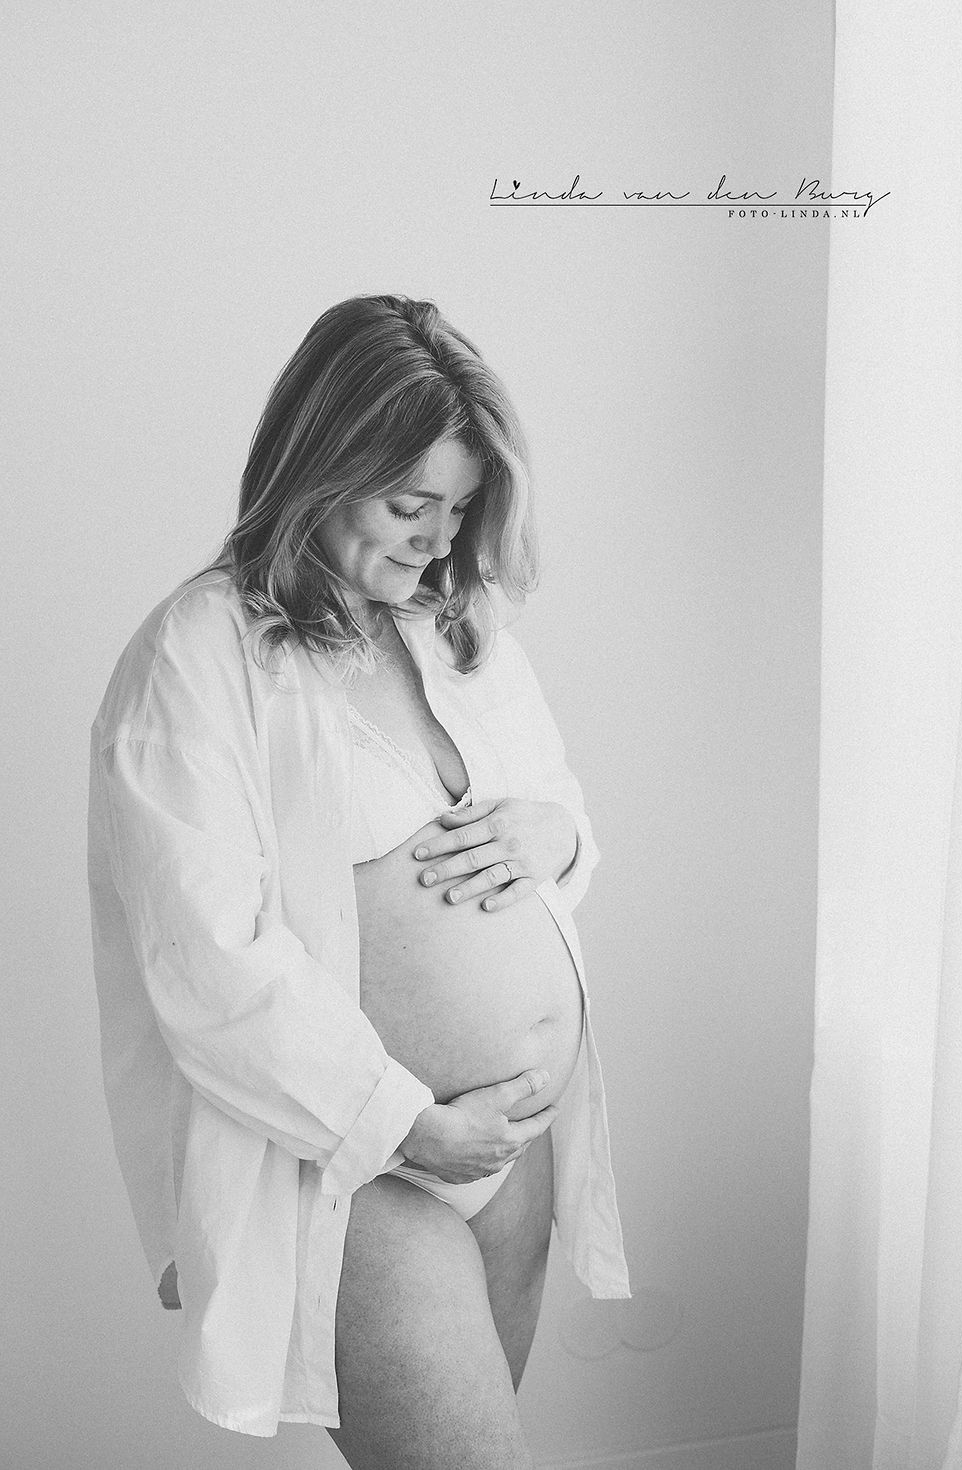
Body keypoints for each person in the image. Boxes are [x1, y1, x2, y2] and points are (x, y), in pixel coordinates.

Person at [87, 293, 630, 1468]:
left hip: (510, 1147)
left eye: (460, 508)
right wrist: (409, 1126)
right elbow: (208, 963)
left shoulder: (454, 629)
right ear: (320, 467)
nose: (437, 540)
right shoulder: (199, 656)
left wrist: (553, 835)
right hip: (365, 1160)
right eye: (408, 505)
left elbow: (558, 817)